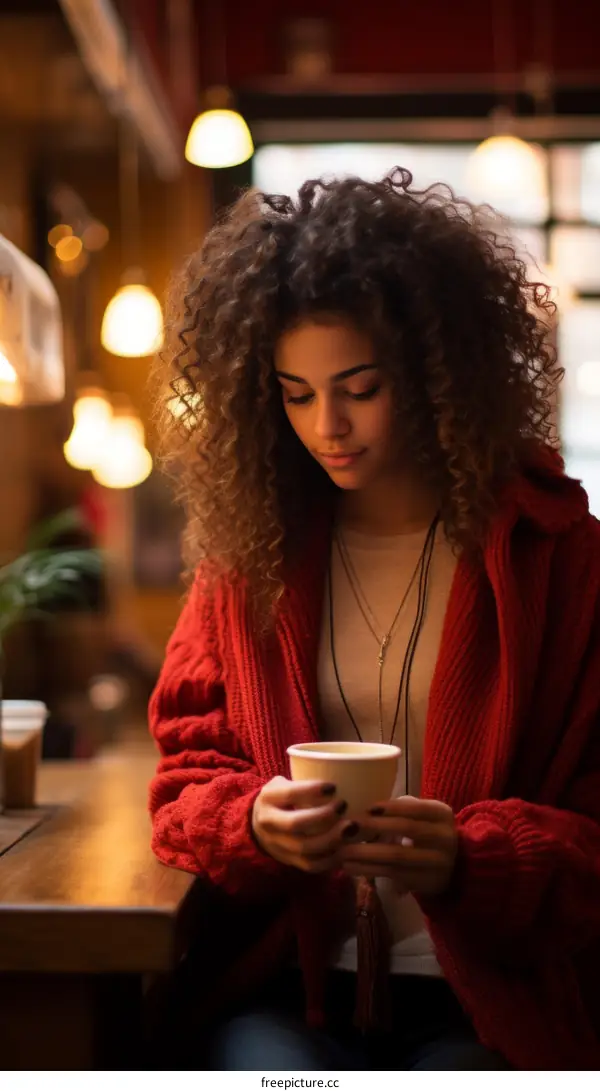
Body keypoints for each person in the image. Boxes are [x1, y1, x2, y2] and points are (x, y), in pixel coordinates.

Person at [148, 168, 600, 1071]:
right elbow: (184, 778)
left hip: (489, 999)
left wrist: (473, 861)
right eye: (296, 392)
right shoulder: (250, 562)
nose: (329, 426)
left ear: (440, 372)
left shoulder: (558, 557)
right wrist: (252, 823)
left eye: (360, 385)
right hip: (285, 988)